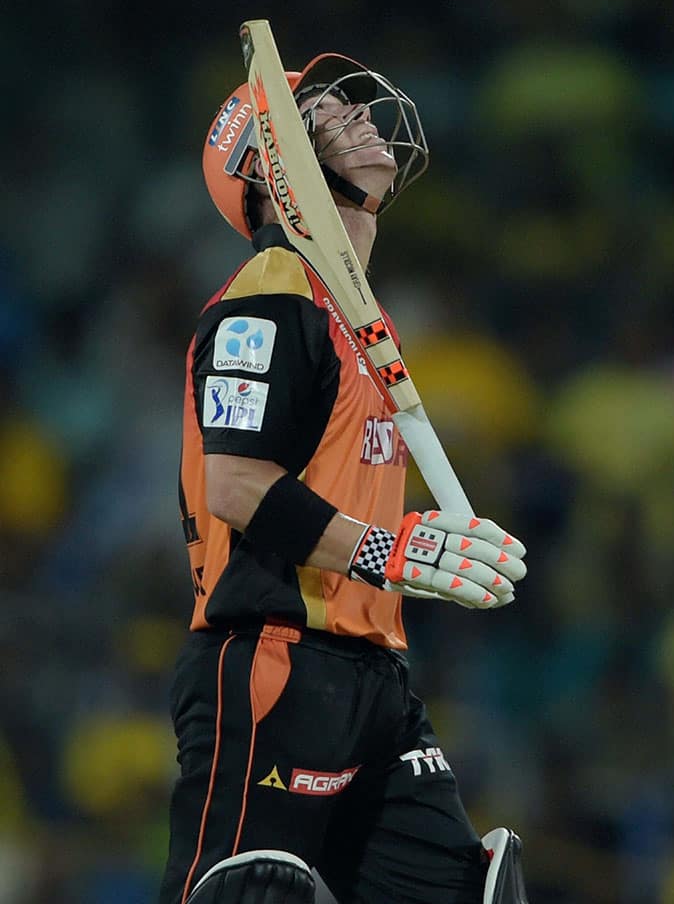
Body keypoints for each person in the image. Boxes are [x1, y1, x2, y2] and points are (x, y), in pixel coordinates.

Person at [159, 46, 529, 904]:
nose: (361, 113)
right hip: (274, 663)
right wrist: (386, 553)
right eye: (323, 115)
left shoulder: (351, 309)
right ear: (271, 166)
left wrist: (415, 546)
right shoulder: (271, 290)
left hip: (372, 678)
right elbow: (237, 488)